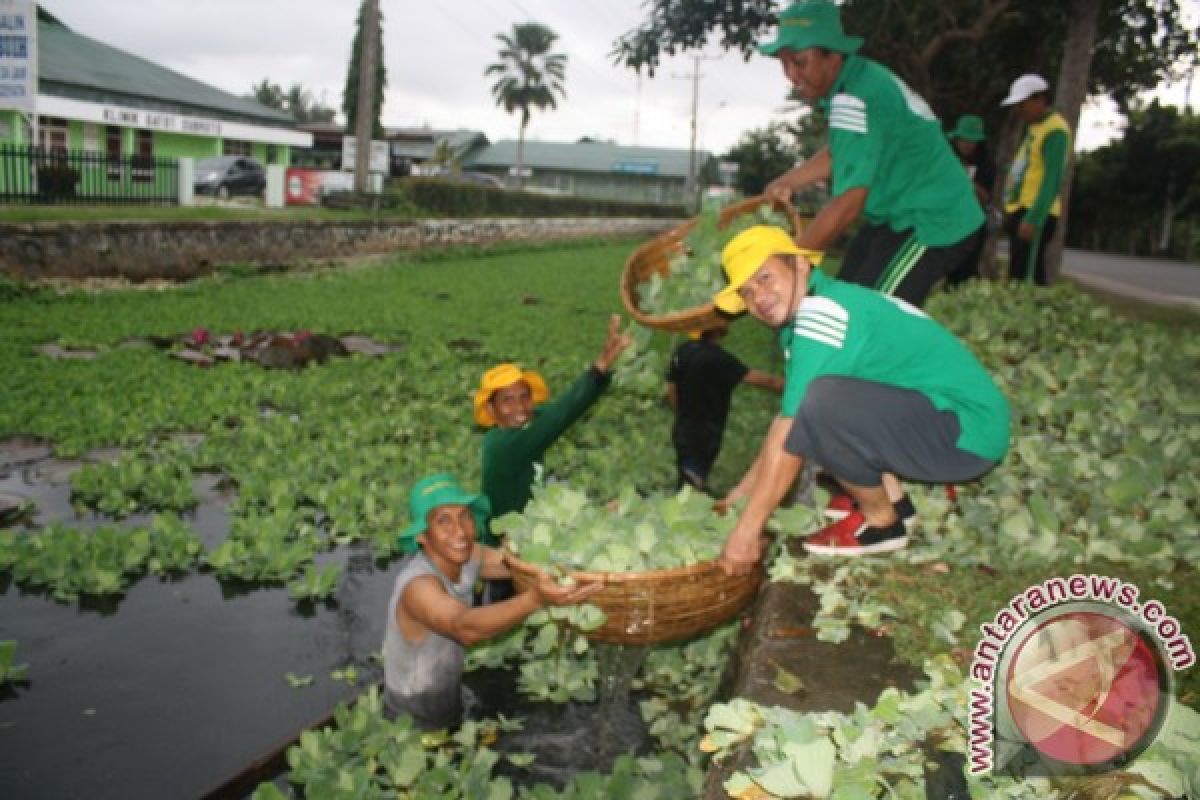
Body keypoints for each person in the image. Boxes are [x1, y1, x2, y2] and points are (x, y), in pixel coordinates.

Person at [710, 226, 1010, 566]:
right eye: (747, 292)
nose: (758, 297)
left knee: (823, 402)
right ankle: (897, 505)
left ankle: (881, 524)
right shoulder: (824, 304)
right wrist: (739, 496)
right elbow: (786, 418)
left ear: (800, 265)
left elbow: (794, 425)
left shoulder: (823, 314)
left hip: (966, 435)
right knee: (820, 402)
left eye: (764, 278)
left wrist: (747, 530)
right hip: (958, 423)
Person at [760, 0, 984, 307]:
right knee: (838, 303)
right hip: (894, 217)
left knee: (869, 316)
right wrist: (784, 182)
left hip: (932, 221)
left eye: (799, 62)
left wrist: (785, 262)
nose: (792, 76)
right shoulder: (854, 82)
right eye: (784, 64)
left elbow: (847, 206)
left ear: (833, 54)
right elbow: (839, 153)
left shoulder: (856, 97)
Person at [383, 473, 599, 730]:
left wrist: (581, 540)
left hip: (450, 699)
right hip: (412, 722)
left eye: (465, 516)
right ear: (422, 536)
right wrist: (535, 599)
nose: (460, 531)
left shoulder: (466, 554)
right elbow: (465, 627)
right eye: (444, 521)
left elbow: (516, 566)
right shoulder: (419, 587)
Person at [477, 313, 632, 530]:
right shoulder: (502, 446)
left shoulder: (526, 425)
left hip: (531, 525)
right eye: (507, 401)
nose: (519, 408)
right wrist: (600, 366)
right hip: (505, 542)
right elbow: (559, 417)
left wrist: (600, 375)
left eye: (524, 397)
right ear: (491, 410)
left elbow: (556, 412)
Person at [665, 320, 783, 491]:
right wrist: (795, 386)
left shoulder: (684, 350)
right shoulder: (719, 359)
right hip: (706, 430)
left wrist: (681, 412)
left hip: (683, 425)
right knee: (693, 480)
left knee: (687, 471)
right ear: (718, 329)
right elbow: (764, 381)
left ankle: (684, 499)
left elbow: (671, 388)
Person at [1001, 73, 1072, 286]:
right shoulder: (1036, 127)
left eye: (1022, 105)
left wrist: (1034, 218)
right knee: (1017, 271)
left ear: (1039, 99)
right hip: (1022, 208)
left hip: (1035, 212)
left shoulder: (1055, 130)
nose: (1019, 111)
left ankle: (1034, 314)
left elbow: (1052, 180)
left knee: (1029, 275)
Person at [944, 114, 997, 286]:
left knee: (967, 267)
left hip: (973, 223)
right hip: (948, 221)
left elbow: (985, 197)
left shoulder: (986, 163)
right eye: (963, 140)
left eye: (971, 141)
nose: (966, 145)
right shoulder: (948, 157)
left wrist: (965, 178)